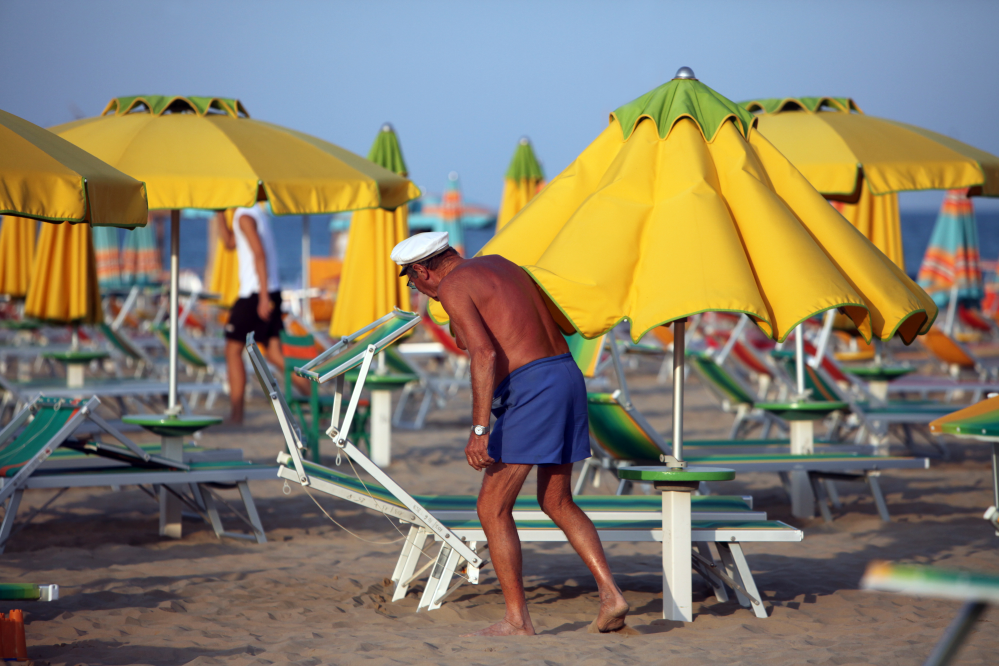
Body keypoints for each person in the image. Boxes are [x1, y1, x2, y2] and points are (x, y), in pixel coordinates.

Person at [391, 231, 631, 637]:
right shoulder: (503, 265)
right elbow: (547, 323)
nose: (420, 291)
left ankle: (517, 619)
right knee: (556, 499)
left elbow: (482, 353)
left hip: (533, 387)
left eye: (414, 283)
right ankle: (611, 595)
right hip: (566, 374)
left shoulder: (454, 286)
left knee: (492, 507)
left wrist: (479, 429)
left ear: (421, 269)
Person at [216, 206, 308, 424]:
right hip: (269, 291)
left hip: (256, 293)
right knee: (276, 355)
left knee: (232, 350)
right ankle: (317, 399)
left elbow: (259, 254)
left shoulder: (245, 217)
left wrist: (263, 296)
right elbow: (230, 243)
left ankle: (237, 416)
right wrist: (218, 213)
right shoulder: (253, 214)